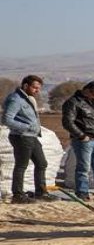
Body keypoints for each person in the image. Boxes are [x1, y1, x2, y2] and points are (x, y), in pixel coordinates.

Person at [2, 75, 53, 203]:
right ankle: (18, 195)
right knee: (21, 165)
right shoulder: (16, 99)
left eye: (39, 88)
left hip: (32, 136)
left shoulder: (29, 99)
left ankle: (41, 192)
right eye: (35, 88)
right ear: (25, 86)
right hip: (21, 136)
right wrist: (26, 127)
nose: (37, 91)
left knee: (41, 163)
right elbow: (7, 119)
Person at [62, 81, 94, 200]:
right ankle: (82, 192)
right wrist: (81, 136)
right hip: (84, 140)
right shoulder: (73, 102)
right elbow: (68, 122)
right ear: (87, 90)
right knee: (84, 168)